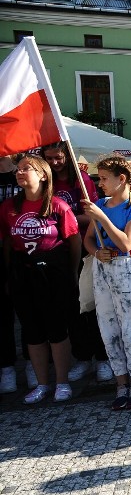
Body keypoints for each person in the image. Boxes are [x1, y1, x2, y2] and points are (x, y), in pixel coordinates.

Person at [0, 155, 80, 403]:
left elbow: (74, 240)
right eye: (19, 169)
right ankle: (43, 384)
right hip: (23, 273)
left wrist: (72, 274)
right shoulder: (8, 207)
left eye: (27, 169)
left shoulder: (57, 206)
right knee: (32, 331)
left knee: (57, 329)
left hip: (54, 274)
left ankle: (62, 382)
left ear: (43, 175)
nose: (20, 173)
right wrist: (7, 275)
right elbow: (5, 243)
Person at [81, 156, 131, 410]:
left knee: (130, 331)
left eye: (104, 179)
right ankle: (120, 385)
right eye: (99, 178)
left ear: (122, 180)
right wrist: (96, 252)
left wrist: (103, 217)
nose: (100, 184)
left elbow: (126, 243)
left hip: (128, 268)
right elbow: (88, 240)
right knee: (108, 330)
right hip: (103, 269)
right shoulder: (100, 204)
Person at [39, 142, 106, 383]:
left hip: (85, 249)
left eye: (58, 157)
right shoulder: (45, 181)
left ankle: (103, 358)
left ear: (66, 155)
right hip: (57, 253)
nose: (55, 163)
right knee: (71, 309)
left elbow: (92, 213)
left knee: (92, 306)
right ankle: (83, 357)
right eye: (49, 158)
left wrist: (61, 218)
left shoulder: (82, 179)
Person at [0, 155, 20, 394]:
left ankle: (34, 367)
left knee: (28, 312)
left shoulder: (22, 173)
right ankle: (6, 367)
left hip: (21, 252)